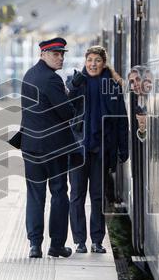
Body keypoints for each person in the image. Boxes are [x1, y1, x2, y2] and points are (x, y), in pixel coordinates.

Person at [66, 46, 129, 253]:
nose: (93, 64)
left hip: (102, 150)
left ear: (104, 63)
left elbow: (121, 120)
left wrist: (123, 148)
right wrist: (73, 87)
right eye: (90, 60)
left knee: (98, 196)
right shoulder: (75, 82)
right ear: (85, 61)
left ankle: (97, 240)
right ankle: (79, 241)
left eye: (97, 60)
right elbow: (66, 108)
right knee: (76, 195)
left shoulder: (112, 86)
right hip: (77, 150)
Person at [21, 37, 78, 258]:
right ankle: (56, 245)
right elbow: (68, 112)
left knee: (35, 195)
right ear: (43, 54)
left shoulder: (29, 75)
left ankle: (34, 245)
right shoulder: (52, 80)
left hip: (30, 146)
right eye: (55, 54)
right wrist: (69, 91)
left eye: (62, 54)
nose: (60, 57)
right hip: (54, 148)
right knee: (59, 193)